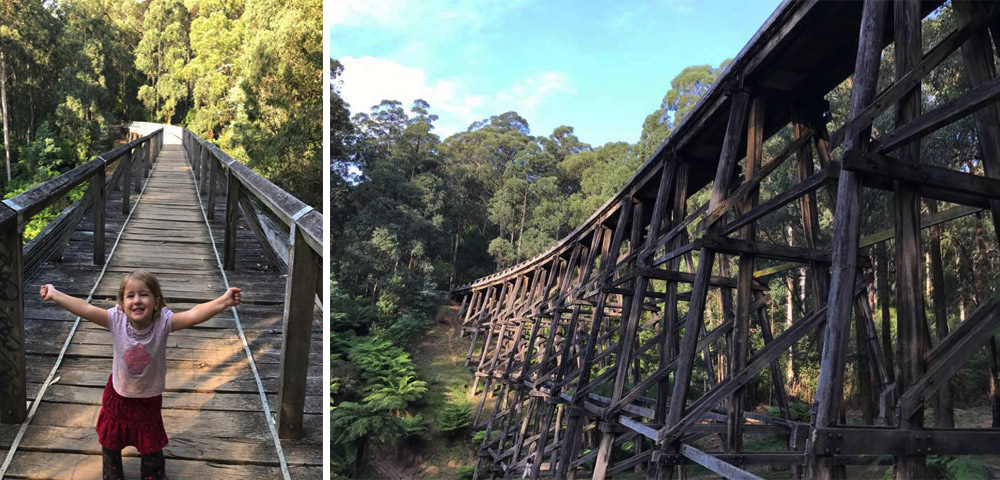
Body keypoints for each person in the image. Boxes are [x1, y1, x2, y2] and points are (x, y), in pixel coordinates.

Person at [40, 270, 241, 480]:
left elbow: (192, 315)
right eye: (130, 296)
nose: (137, 300)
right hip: (118, 397)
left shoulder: (163, 322)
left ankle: (152, 475)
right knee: (110, 443)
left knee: (151, 447)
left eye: (144, 294)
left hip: (148, 400)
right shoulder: (115, 320)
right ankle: (112, 475)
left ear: (156, 302)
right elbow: (85, 308)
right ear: (122, 304)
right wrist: (55, 294)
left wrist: (223, 301)